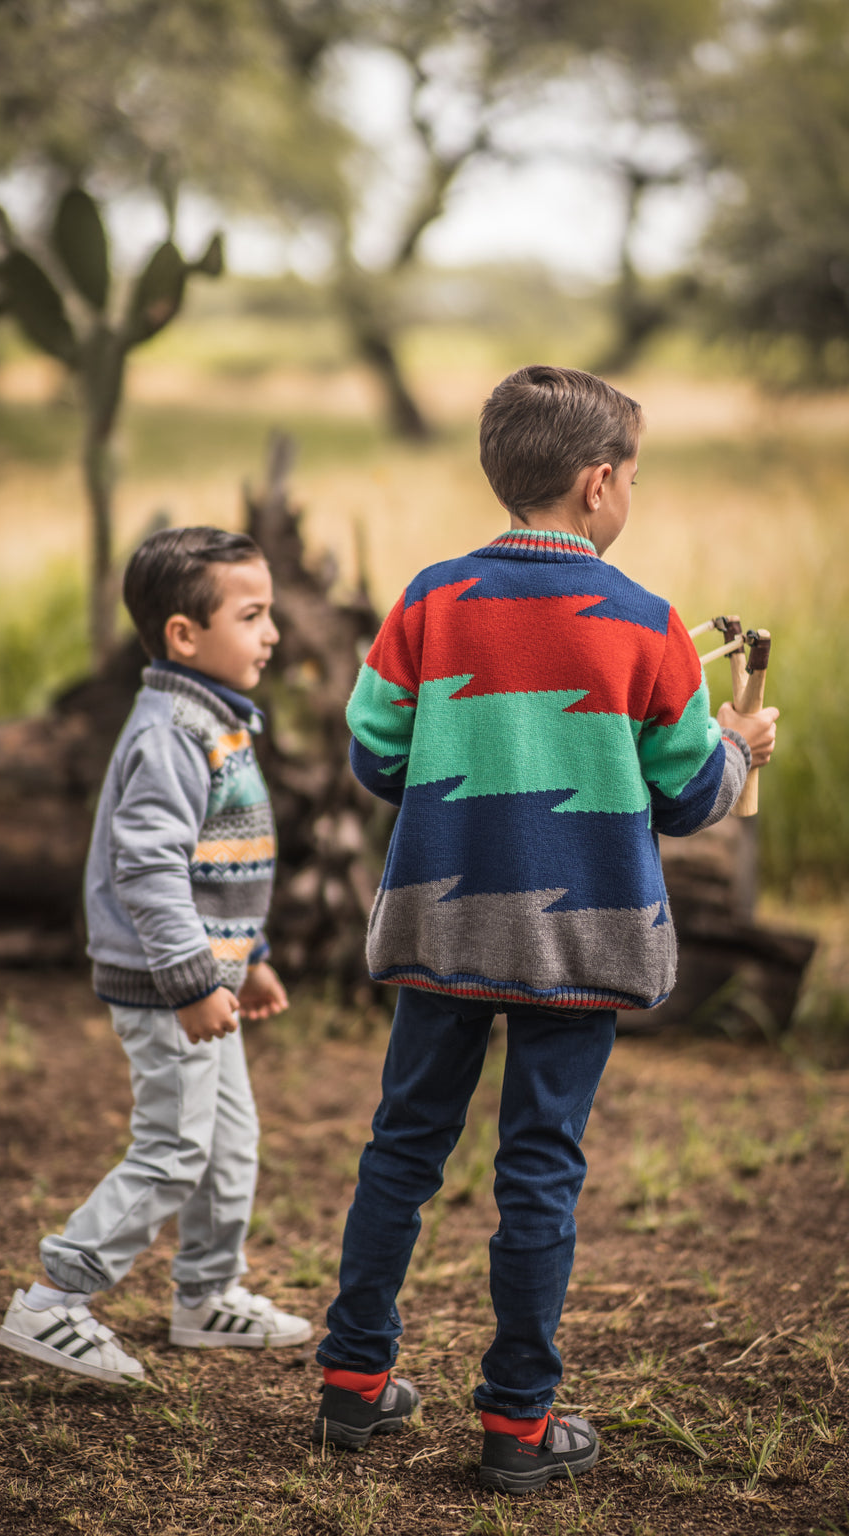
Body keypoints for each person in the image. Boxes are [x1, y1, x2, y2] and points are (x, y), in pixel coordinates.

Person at [310, 365, 779, 1492]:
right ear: (599, 482)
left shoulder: (428, 598)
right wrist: (738, 751)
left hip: (444, 927)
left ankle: (352, 1384)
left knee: (402, 1147)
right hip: (583, 939)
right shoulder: (648, 625)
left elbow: (374, 755)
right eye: (634, 478)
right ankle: (517, 1424)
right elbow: (685, 798)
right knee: (539, 1169)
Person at [0, 526, 310, 1385]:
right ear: (184, 634)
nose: (272, 633)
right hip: (167, 982)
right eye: (252, 615)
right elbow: (149, 867)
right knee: (175, 1146)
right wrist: (193, 980)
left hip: (206, 975)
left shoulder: (215, 715)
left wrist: (253, 959)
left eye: (269, 613)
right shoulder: (172, 729)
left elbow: (218, 866)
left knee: (230, 1142)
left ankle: (206, 1295)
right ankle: (53, 1300)